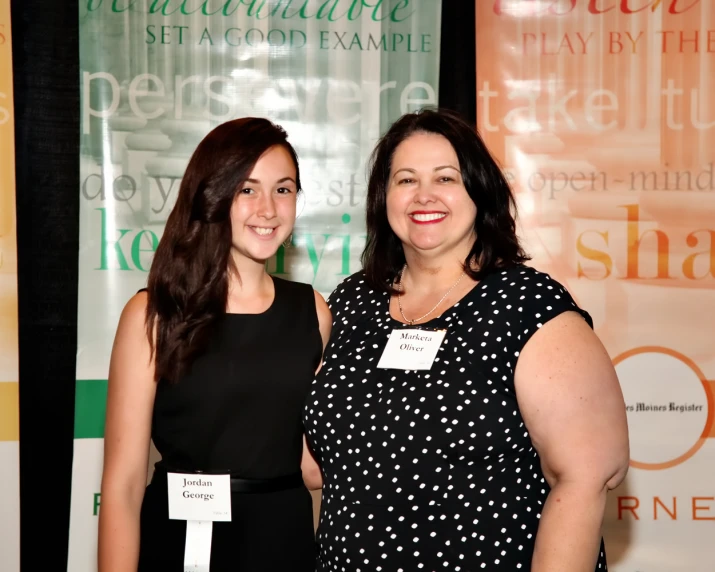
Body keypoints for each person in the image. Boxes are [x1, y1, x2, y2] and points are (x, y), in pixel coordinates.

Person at [304, 108, 629, 571]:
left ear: (479, 191)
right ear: (384, 197)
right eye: (405, 180)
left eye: (446, 178)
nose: (424, 196)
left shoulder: (526, 304)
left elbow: (587, 476)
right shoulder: (354, 301)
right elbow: (315, 464)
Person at [98, 117, 329, 572]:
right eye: (247, 189)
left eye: (283, 190)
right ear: (212, 194)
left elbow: (312, 469)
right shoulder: (152, 315)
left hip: (282, 542)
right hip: (181, 543)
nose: (267, 208)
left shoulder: (313, 311)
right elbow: (123, 486)